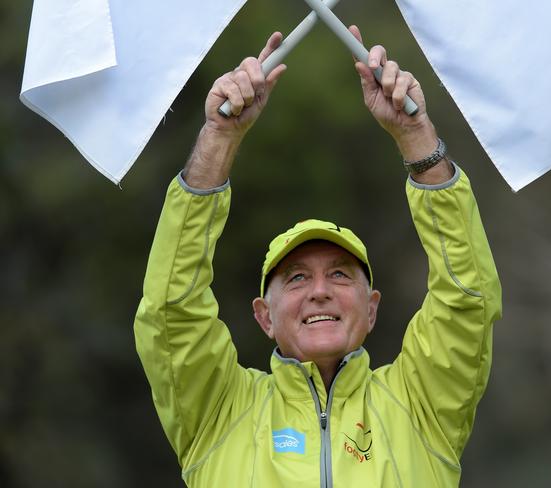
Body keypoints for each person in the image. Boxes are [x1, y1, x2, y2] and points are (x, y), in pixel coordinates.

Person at [134, 26, 502, 488]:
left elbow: (468, 299)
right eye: (296, 279)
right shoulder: (218, 410)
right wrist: (219, 137)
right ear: (264, 317)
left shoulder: (421, 404)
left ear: (372, 309)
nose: (320, 292)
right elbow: (171, 310)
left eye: (341, 275)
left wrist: (416, 136)